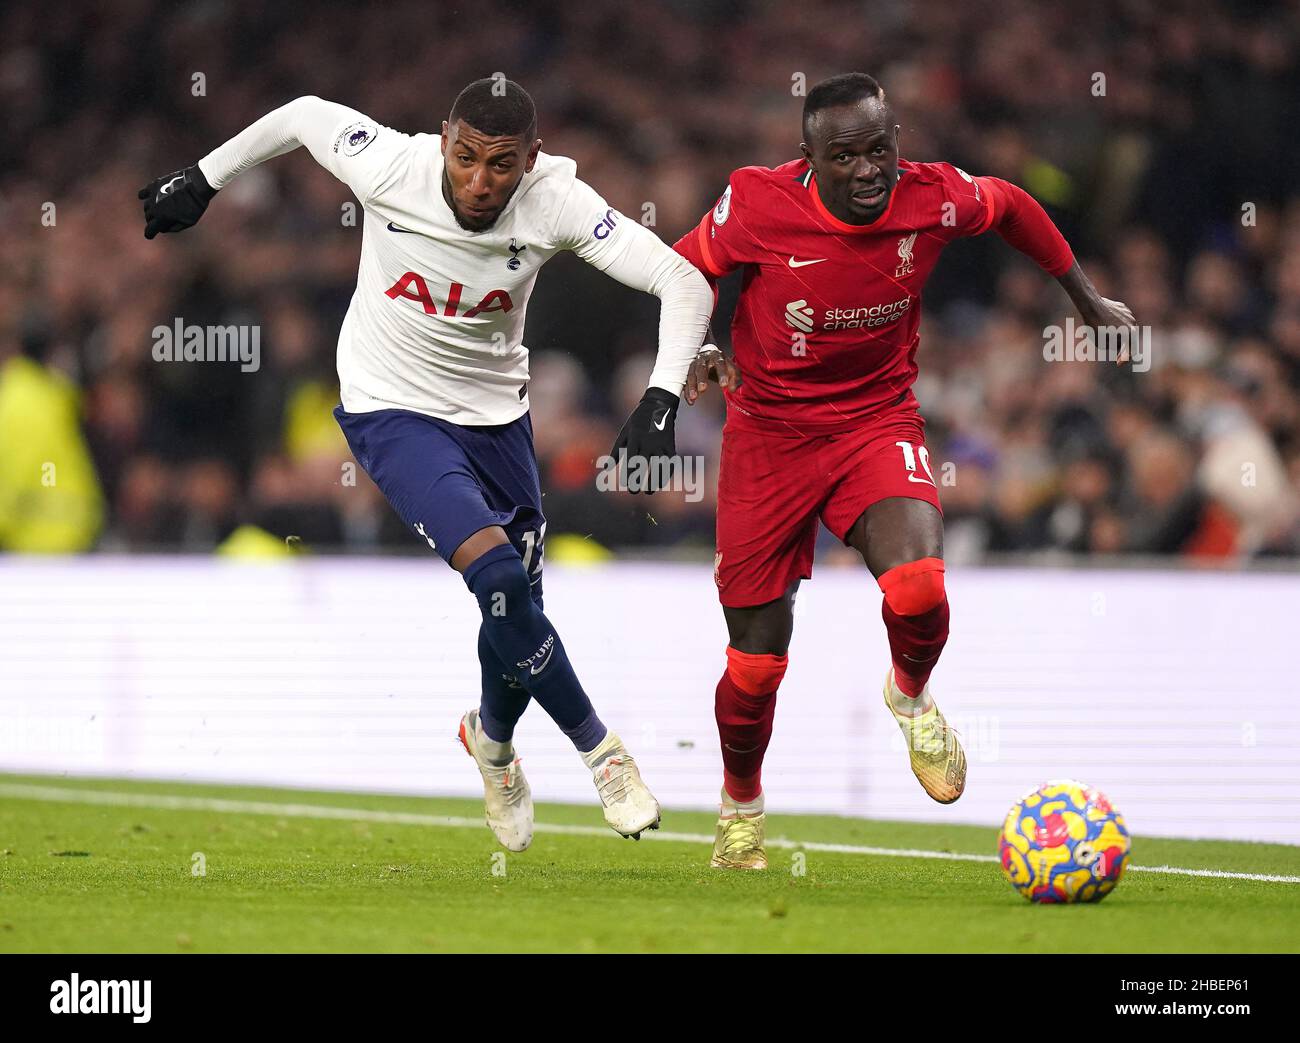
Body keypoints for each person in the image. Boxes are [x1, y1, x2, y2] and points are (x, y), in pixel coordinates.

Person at [139, 79, 712, 852]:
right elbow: (304, 115)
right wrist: (204, 179)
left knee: (514, 607)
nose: (480, 181)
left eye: (501, 165)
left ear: (531, 160)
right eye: (467, 157)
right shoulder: (388, 165)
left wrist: (660, 401)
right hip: (391, 408)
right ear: (443, 139)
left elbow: (681, 279)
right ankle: (603, 753)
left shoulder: (557, 201)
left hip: (497, 418)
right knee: (501, 578)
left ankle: (493, 745)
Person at [675, 73, 1136, 869]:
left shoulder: (935, 197)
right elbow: (684, 271)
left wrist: (1083, 297)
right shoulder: (756, 202)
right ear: (807, 158)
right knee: (755, 661)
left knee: (919, 585)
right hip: (769, 436)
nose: (865, 170)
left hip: (873, 421)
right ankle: (740, 808)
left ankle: (909, 694)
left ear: (899, 144)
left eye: (878, 150)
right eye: (843, 155)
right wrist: (696, 344)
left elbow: (1015, 206)